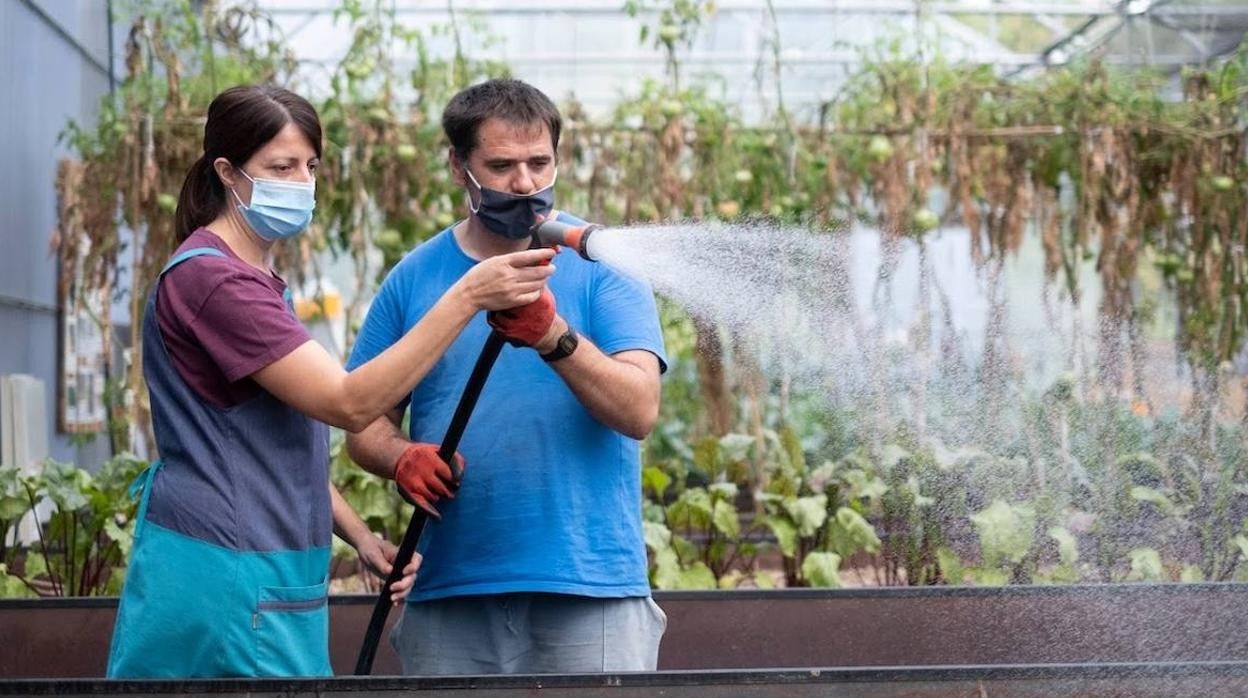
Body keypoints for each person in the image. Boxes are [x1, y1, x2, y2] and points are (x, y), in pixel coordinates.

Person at [106, 84, 555, 679]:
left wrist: (361, 537)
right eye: (281, 167)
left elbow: (271, 447)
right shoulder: (218, 284)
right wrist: (470, 293)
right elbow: (349, 403)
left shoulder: (253, 280)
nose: (301, 182)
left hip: (261, 564)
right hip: (231, 572)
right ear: (227, 172)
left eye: (310, 166)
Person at [345, 78, 668, 675]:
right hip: (450, 592)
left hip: (590, 587)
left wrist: (556, 337)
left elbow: (639, 409)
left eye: (539, 163)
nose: (524, 183)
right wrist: (399, 456)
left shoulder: (605, 266)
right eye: (500, 165)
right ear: (458, 167)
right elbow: (361, 423)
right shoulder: (414, 278)